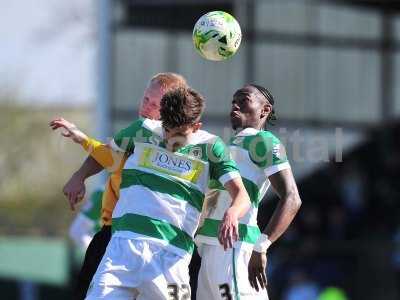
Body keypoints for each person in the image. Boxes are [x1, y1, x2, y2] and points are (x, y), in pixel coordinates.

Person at [50, 87, 251, 299]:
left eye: (180, 135)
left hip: (170, 257)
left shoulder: (212, 147)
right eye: (167, 130)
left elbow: (242, 196)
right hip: (122, 249)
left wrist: (232, 213)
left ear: (196, 126)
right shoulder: (142, 129)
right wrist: (79, 176)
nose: (170, 140)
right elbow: (106, 155)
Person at [66, 72, 188, 299]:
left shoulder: (188, 146)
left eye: (156, 105)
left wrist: (82, 141)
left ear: (173, 109)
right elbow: (109, 154)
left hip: (159, 242)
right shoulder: (138, 132)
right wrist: (79, 175)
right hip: (114, 234)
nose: (147, 108)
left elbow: (110, 157)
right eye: (146, 100)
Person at [195, 84, 302, 299]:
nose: (235, 105)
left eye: (243, 100)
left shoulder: (264, 140)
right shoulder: (226, 146)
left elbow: (292, 198)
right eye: (233, 101)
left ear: (265, 110)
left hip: (233, 248)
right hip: (209, 249)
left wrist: (262, 246)